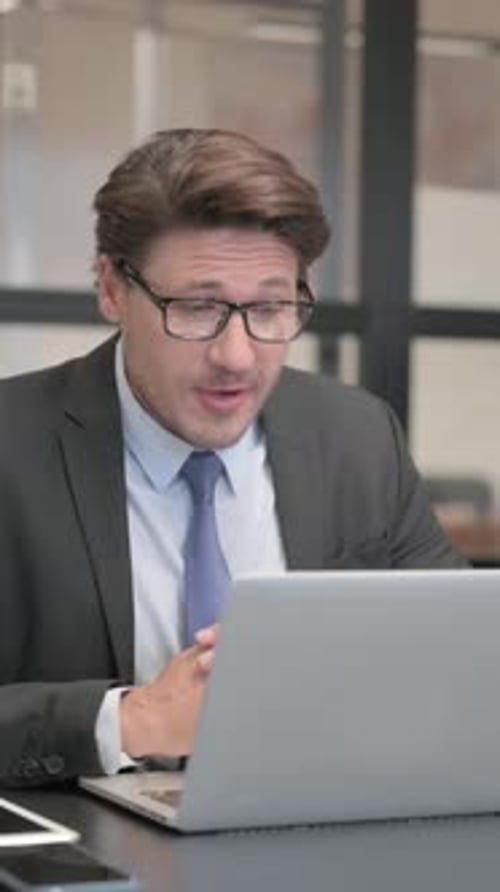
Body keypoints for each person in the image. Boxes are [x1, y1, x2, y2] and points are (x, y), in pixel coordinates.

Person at [0, 128, 467, 788]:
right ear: (110, 289)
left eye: (271, 308)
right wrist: (130, 721)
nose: (238, 357)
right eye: (197, 308)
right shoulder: (12, 444)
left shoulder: (355, 436)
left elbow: (456, 654)